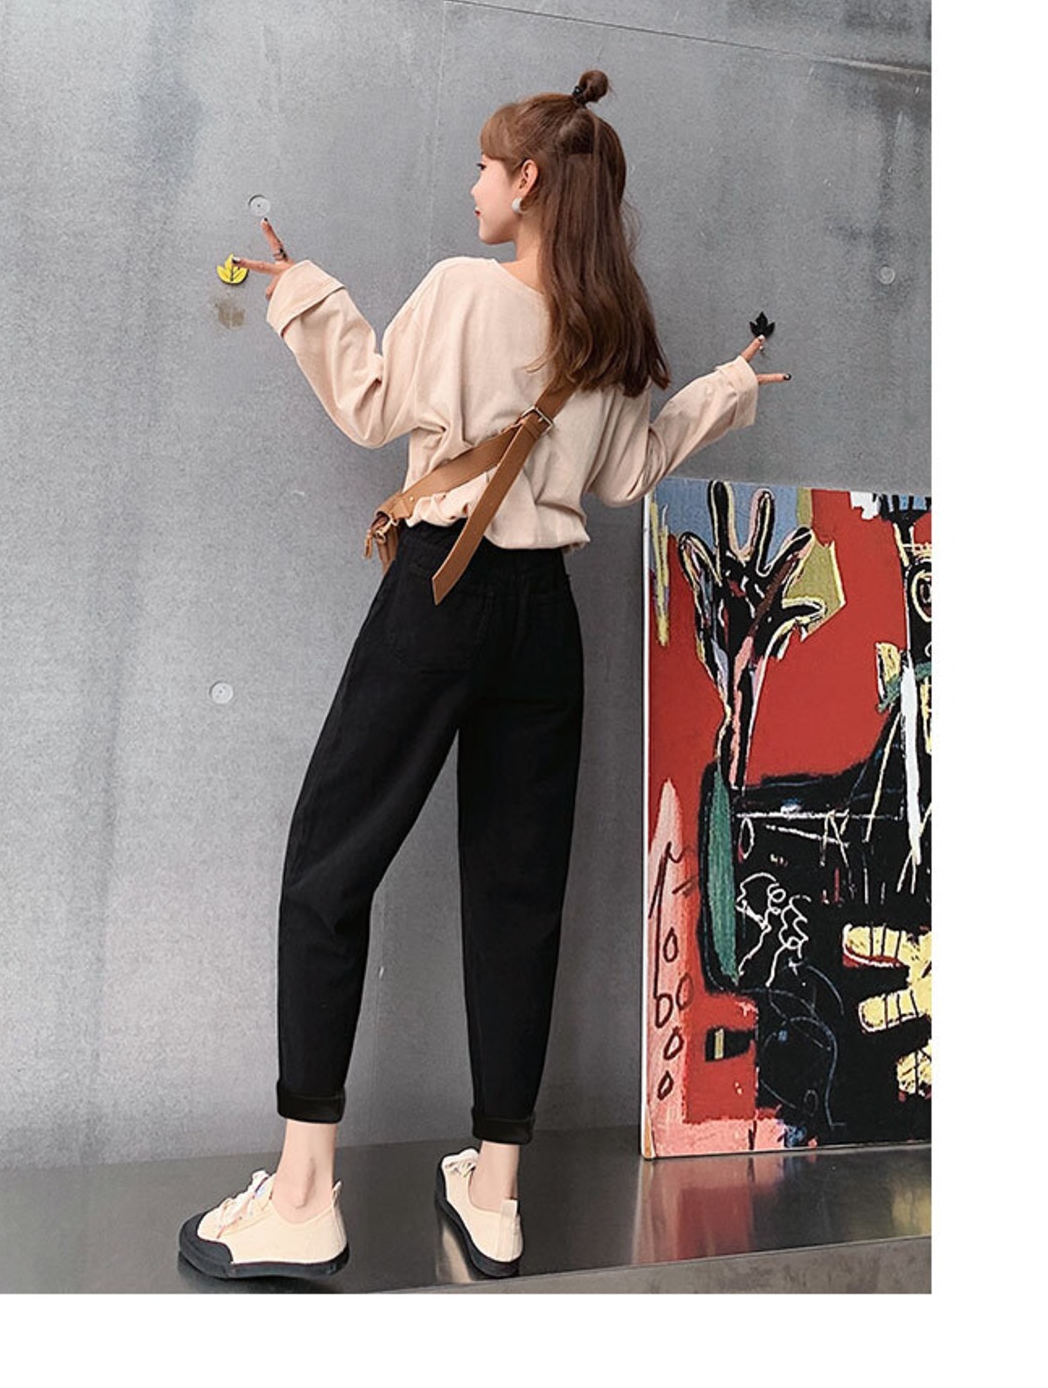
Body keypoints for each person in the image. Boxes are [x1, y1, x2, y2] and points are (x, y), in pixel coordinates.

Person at [178, 69, 790, 1283]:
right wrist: (724, 391)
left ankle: (301, 1198)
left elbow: (369, 404)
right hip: (543, 626)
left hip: (441, 594)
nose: (470, 188)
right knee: (518, 898)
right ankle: (495, 1195)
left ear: (528, 182)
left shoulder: (462, 290)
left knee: (328, 865)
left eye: (482, 168)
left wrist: (302, 290)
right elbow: (628, 476)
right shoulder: (611, 332)